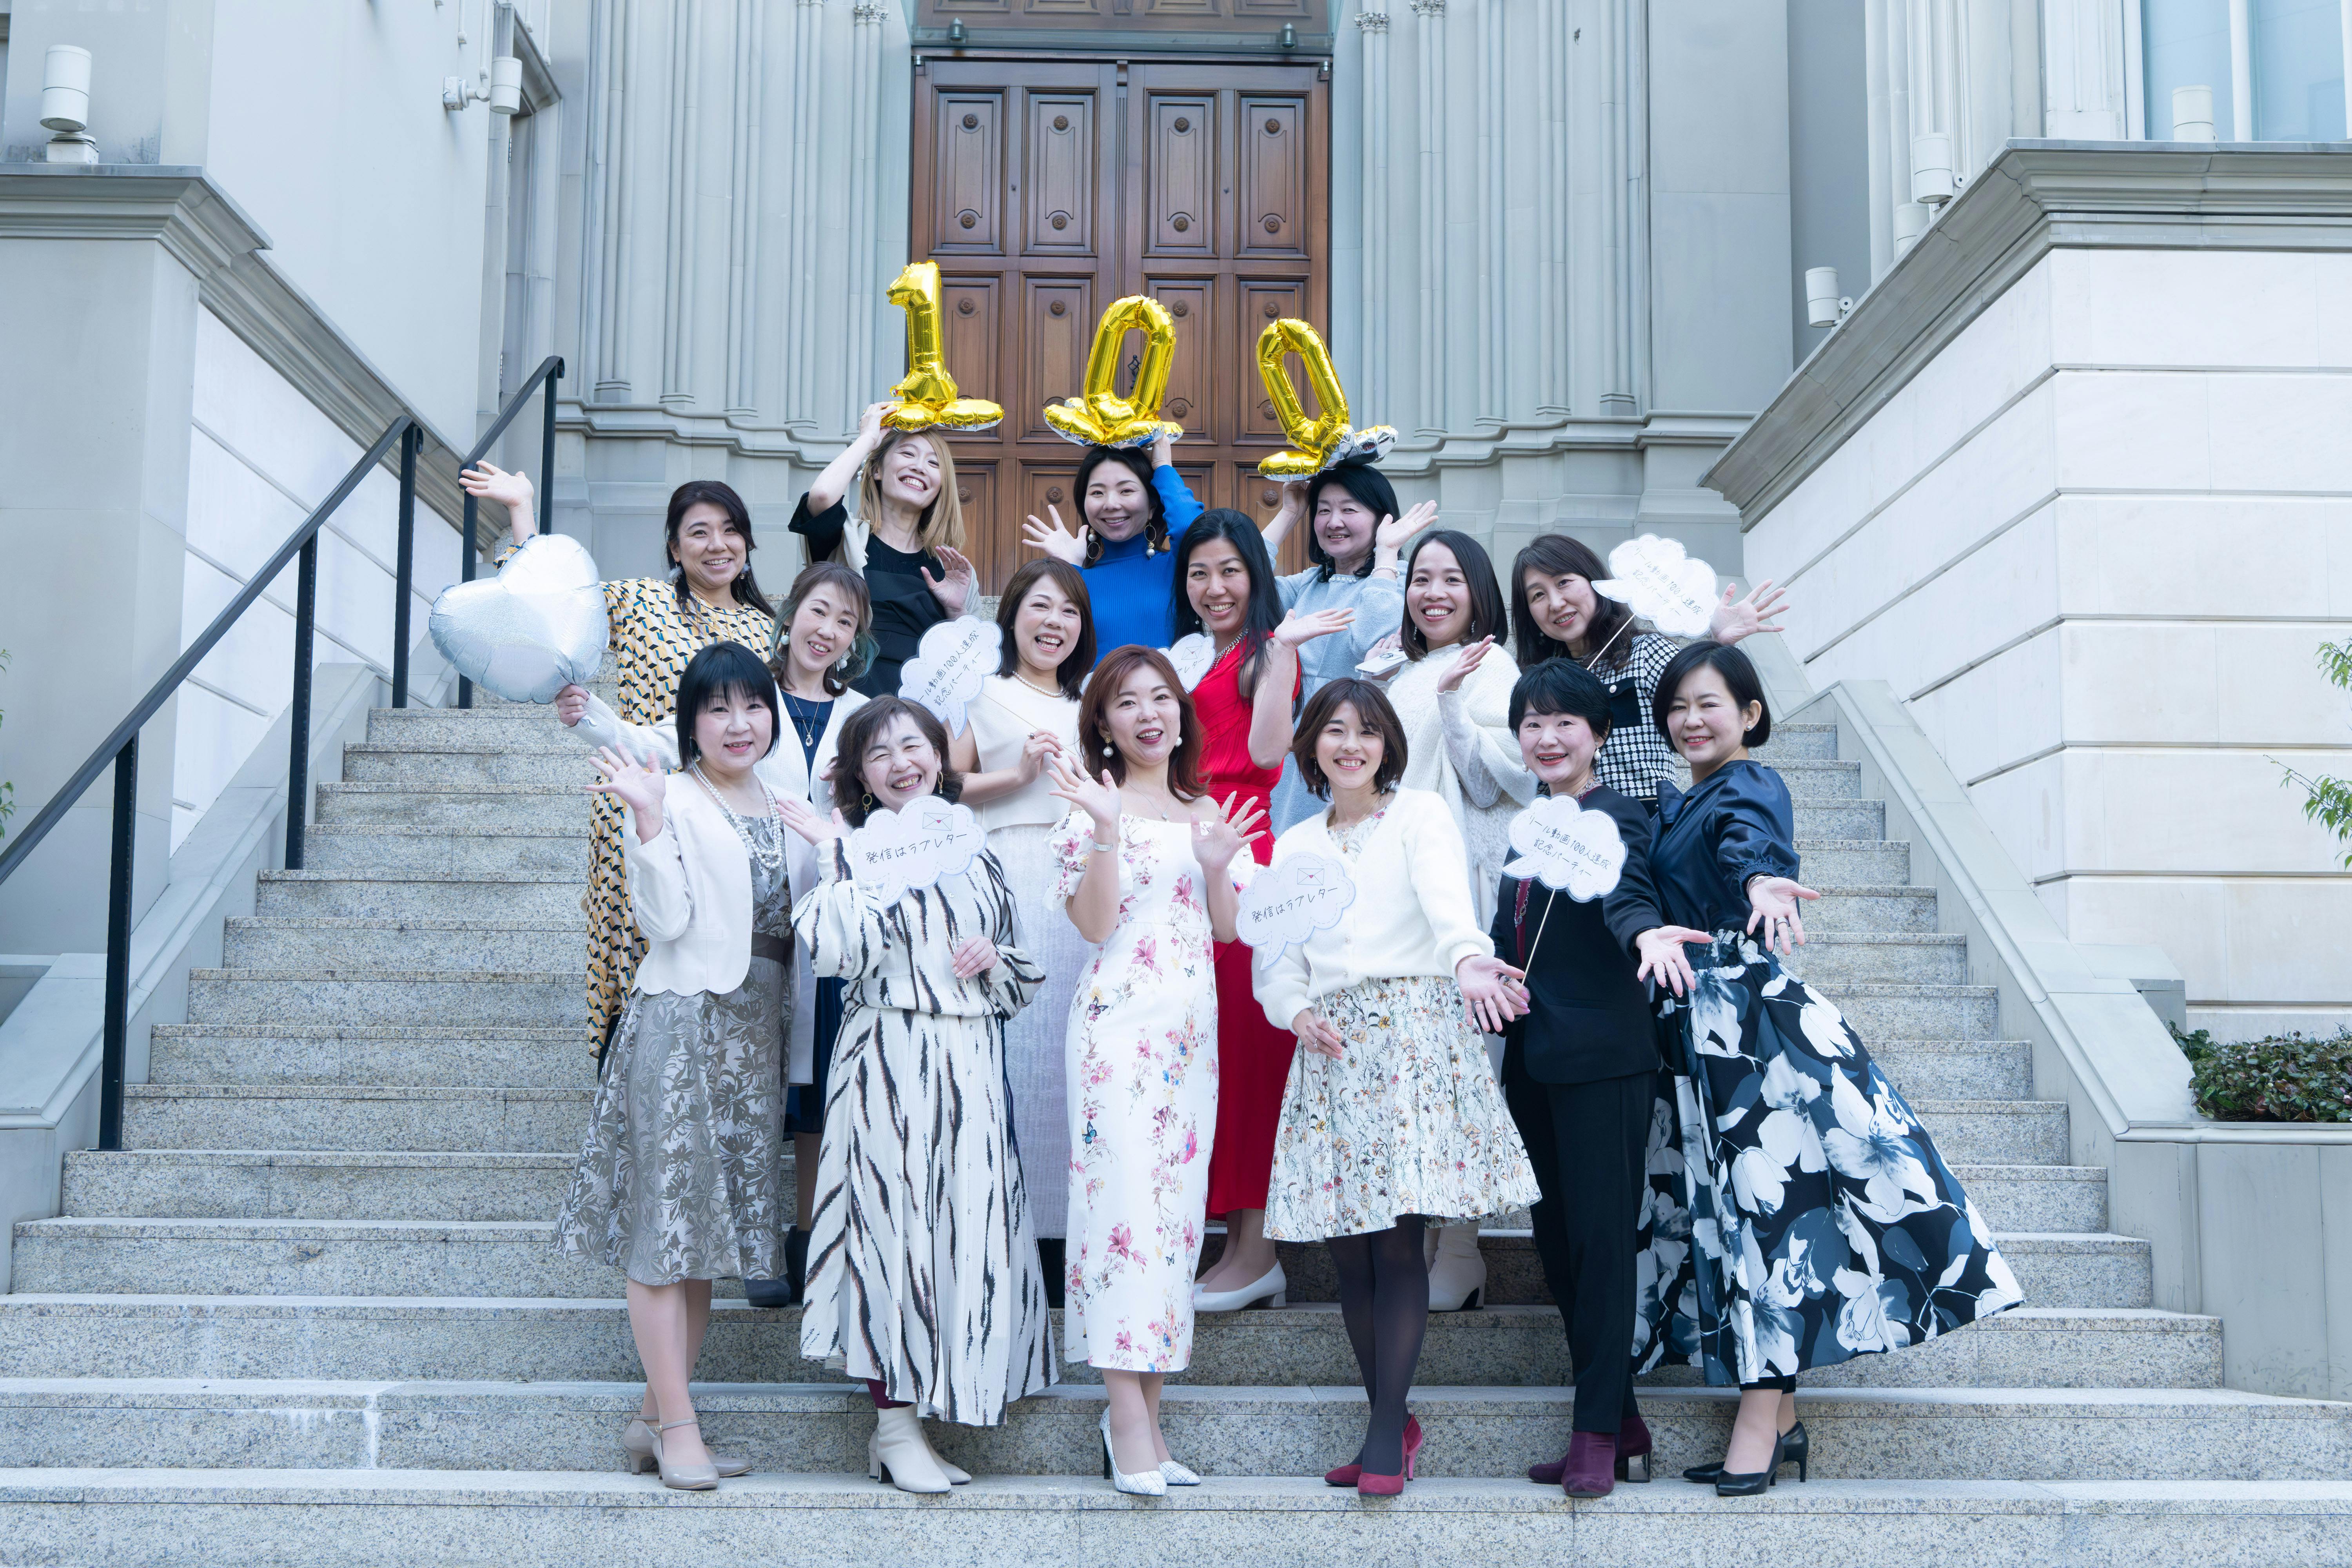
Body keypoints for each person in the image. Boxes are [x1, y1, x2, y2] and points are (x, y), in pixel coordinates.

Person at [1640, 641, 2025, 1495]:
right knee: (1732, 1215)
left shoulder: (1750, 786)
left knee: (1768, 1213)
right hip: (1690, 1022)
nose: (1691, 720)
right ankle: (1782, 1421)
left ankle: (1758, 1418)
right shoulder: (1675, 801)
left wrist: (1762, 883)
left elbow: (1750, 848)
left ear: (1750, 714)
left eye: (1709, 704)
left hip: (1743, 1022)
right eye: (1678, 707)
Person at [1255, 679, 1539, 1496]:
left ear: (1388, 745)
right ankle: (1392, 1417)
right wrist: (1296, 1011)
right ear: (1311, 745)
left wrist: (1470, 960)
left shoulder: (1419, 814)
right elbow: (1277, 961)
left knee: (1395, 1241)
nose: (1352, 745)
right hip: (1333, 1045)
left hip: (1412, 1033)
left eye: (1368, 731)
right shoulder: (1294, 842)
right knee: (1349, 1250)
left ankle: (1385, 1432)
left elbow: (1450, 909)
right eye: (1335, 730)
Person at [562, 563, 873, 1307]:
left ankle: (801, 1243)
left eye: (846, 621)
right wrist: (591, 720)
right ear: (790, 614)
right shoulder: (739, 709)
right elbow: (655, 745)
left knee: (810, 1098)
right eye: (819, 611)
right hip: (709, 979)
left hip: (804, 948)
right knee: (686, 1188)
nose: (827, 630)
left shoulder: (859, 715)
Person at [780, 697, 1049, 1494]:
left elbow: (1018, 977)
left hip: (971, 1062)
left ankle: (926, 1414)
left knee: (956, 1231)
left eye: (914, 745)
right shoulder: (853, 848)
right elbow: (837, 951)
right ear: (860, 776)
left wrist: (991, 957)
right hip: (889, 1056)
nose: (902, 763)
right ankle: (893, 1424)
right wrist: (834, 853)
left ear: (938, 754)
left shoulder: (975, 849)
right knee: (885, 1229)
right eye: (880, 753)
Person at [551, 641, 791, 1491]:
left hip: (755, 1037)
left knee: (702, 1242)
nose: (738, 722)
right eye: (717, 708)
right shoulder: (672, 794)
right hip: (685, 1022)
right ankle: (679, 1426)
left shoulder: (784, 799)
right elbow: (665, 921)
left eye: (753, 704)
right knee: (666, 1235)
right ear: (689, 724)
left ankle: (655, 1419)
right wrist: (649, 824)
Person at [461, 464, 779, 1061]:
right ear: (674, 547)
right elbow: (551, 603)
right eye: (699, 532)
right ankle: (628, 1081)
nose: (718, 545)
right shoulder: (641, 600)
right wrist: (522, 510)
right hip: (639, 802)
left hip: (724, 812)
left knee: (711, 946)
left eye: (731, 530)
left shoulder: (769, 631)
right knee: (634, 944)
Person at [1043, 644, 1264, 1495]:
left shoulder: (1207, 808)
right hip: (1115, 1034)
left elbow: (1228, 929)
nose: (1148, 713)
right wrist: (1104, 830)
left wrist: (1217, 867)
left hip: (1188, 1040)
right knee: (1120, 1213)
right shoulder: (1088, 804)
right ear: (1103, 722)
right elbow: (1097, 926)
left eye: (1161, 697)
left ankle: (1146, 1414)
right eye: (1128, 701)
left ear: (1182, 713)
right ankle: (1125, 1414)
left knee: (1171, 1224)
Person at [1492, 658, 1709, 1499]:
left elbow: (1627, 897)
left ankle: (1592, 1437)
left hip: (1606, 1060)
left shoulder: (1618, 815)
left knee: (1601, 1243)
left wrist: (1645, 935)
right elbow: (1511, 934)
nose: (1547, 738)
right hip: (1533, 1058)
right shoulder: (1530, 827)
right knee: (1557, 1247)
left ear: (1600, 733)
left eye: (1564, 722)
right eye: (1532, 724)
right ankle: (1622, 1422)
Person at [1166, 511, 1354, 1314]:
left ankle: (1260, 1251)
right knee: (1208, 1051)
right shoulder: (1191, 655)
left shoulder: (1268, 652)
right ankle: (1232, 1241)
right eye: (1199, 572)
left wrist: (1281, 654)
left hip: (1244, 852)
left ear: (1257, 575)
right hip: (1187, 851)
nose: (1214, 588)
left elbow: (1272, 753)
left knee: (1248, 1055)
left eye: (1230, 571)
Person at [1374, 528, 1539, 1309]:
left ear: (1478, 591)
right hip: (1404, 887)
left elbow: (1498, 782)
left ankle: (1464, 1246)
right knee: (1421, 1068)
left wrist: (1451, 704)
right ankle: (1429, 1237)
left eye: (1450, 579)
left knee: (1468, 1063)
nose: (1433, 593)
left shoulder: (1492, 667)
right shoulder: (1402, 667)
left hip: (1465, 888)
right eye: (1420, 578)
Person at [948, 558, 1096, 1300]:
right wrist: (1014, 778)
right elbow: (939, 784)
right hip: (1007, 872)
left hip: (1081, 884)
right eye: (1040, 606)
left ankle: (1072, 1237)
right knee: (1015, 1056)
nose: (1054, 623)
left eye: (1069, 611)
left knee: (1070, 1056)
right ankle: (1008, 1234)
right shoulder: (982, 692)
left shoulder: (1094, 699)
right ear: (1011, 616)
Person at [1508, 533, 1787, 806]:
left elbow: (1702, 701)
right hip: (1562, 824)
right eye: (1538, 595)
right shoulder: (1539, 680)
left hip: (1644, 819)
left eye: (1564, 583)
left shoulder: (1645, 653)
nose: (1556, 603)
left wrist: (1718, 643)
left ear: (1594, 580)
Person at [1256, 464, 1427, 831]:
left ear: (1382, 519)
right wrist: (1290, 513)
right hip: (1295, 751)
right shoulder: (1309, 584)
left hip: (1353, 747)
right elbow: (1244, 583)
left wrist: (1386, 554)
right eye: (1323, 510)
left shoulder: (1402, 582)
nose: (1334, 522)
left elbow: (1371, 639)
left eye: (1349, 509)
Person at [789, 401, 980, 696]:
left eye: (934, 463)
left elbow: (973, 668)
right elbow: (823, 495)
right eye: (908, 454)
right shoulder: (844, 539)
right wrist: (868, 439)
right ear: (877, 470)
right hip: (846, 704)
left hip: (920, 714)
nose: (919, 467)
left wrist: (957, 611)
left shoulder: (951, 568)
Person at [1020, 436, 1202, 655]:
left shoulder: (1180, 567)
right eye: (1097, 493)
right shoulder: (1078, 578)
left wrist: (1163, 467)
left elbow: (1192, 529)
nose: (1111, 504)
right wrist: (1071, 570)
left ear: (1153, 506)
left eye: (1126, 491)